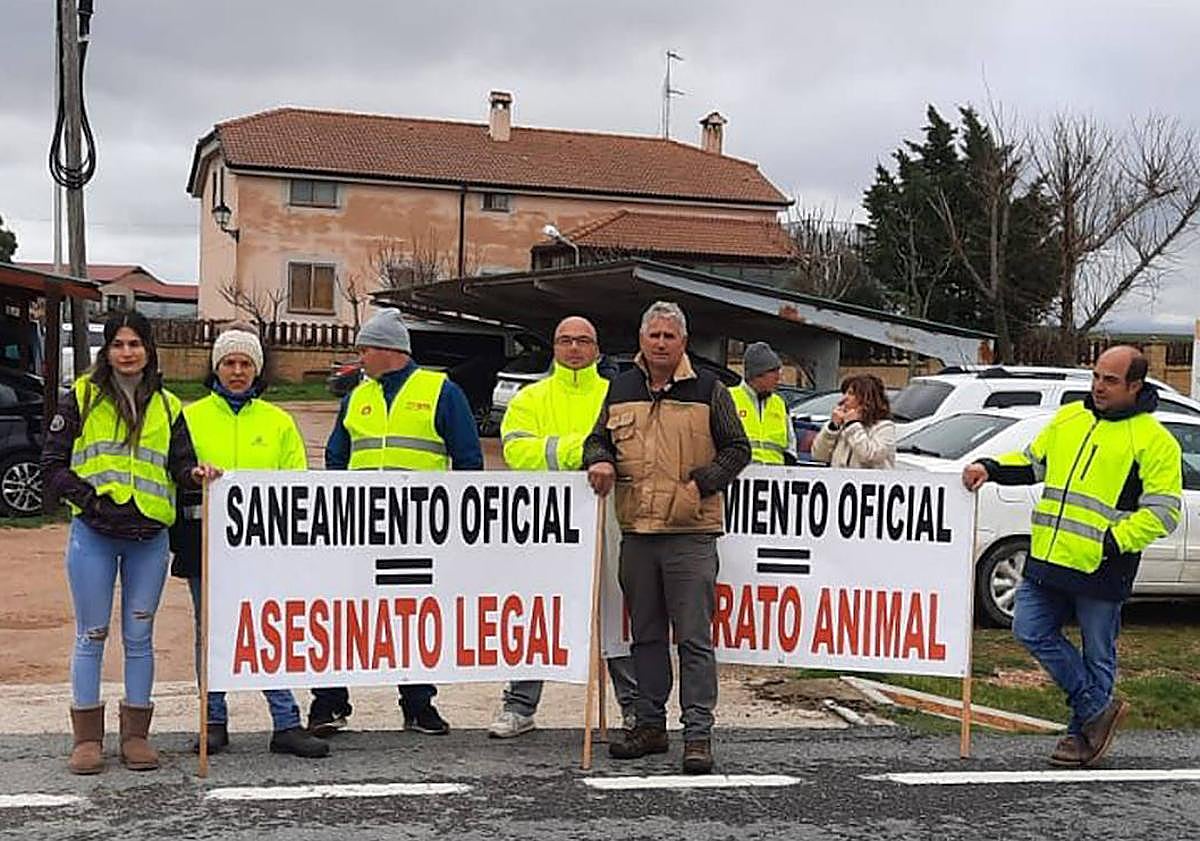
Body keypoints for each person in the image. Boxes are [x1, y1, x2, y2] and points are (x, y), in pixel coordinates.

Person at [962, 346, 1182, 767]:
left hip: (1102, 566)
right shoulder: (1069, 418)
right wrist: (989, 467)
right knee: (1028, 630)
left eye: (1110, 380)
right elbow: (1032, 464)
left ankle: (1079, 737)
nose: (1098, 386)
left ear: (1135, 386)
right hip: (1047, 558)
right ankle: (1096, 711)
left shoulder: (1155, 441)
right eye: (1096, 376)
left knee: (1098, 654)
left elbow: (1163, 511)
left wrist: (1111, 541)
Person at [42, 311, 219, 775]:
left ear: (148, 349)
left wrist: (196, 474)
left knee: (140, 637)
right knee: (91, 634)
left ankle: (136, 735)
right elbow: (53, 463)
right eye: (118, 344)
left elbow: (180, 466)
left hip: (148, 538)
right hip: (95, 535)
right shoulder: (81, 396)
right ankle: (86, 740)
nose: (127, 352)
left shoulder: (168, 406)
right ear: (107, 350)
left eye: (135, 343)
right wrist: (89, 501)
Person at [584, 301, 750, 775]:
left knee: (695, 640)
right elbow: (596, 440)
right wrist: (599, 460)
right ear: (642, 339)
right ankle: (650, 725)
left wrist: (700, 483)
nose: (660, 343)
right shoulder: (620, 387)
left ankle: (697, 734)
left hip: (691, 535)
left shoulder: (710, 388)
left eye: (669, 336)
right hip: (637, 533)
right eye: (653, 335)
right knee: (646, 638)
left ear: (683, 341)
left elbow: (738, 449)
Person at [308, 308, 483, 737]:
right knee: (345, 613)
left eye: (364, 349)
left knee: (412, 615)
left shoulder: (441, 391)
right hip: (359, 529)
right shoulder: (356, 397)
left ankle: (418, 703)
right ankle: (330, 702)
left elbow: (467, 460)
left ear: (388, 350)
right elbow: (337, 456)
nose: (359, 357)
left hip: (420, 530)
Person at [169, 325, 329, 759]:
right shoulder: (190, 416)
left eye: (245, 363)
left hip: (263, 550)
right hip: (204, 543)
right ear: (216, 367)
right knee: (211, 632)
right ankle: (213, 721)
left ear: (257, 370)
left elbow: (298, 484)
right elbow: (177, 473)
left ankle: (285, 722)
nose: (237, 371)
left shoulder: (278, 422)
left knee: (267, 628)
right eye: (229, 363)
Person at [487, 316, 640, 739]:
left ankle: (633, 706)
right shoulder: (530, 397)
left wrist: (594, 454)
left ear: (596, 348)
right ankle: (520, 706)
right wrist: (588, 452)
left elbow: (631, 450)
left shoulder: (618, 395)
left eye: (583, 341)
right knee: (541, 612)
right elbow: (518, 452)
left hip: (609, 517)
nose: (574, 348)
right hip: (547, 524)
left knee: (615, 611)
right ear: (554, 347)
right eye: (566, 340)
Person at [730, 341, 797, 465]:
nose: (778, 378)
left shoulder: (780, 404)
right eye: (773, 373)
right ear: (757, 375)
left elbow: (791, 448)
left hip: (774, 481)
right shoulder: (729, 398)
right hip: (739, 480)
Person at [810, 374, 896, 469]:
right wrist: (832, 428)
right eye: (845, 393)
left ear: (866, 398)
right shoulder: (842, 426)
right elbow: (818, 455)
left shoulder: (884, 427)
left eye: (851, 393)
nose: (844, 399)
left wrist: (853, 425)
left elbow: (870, 456)